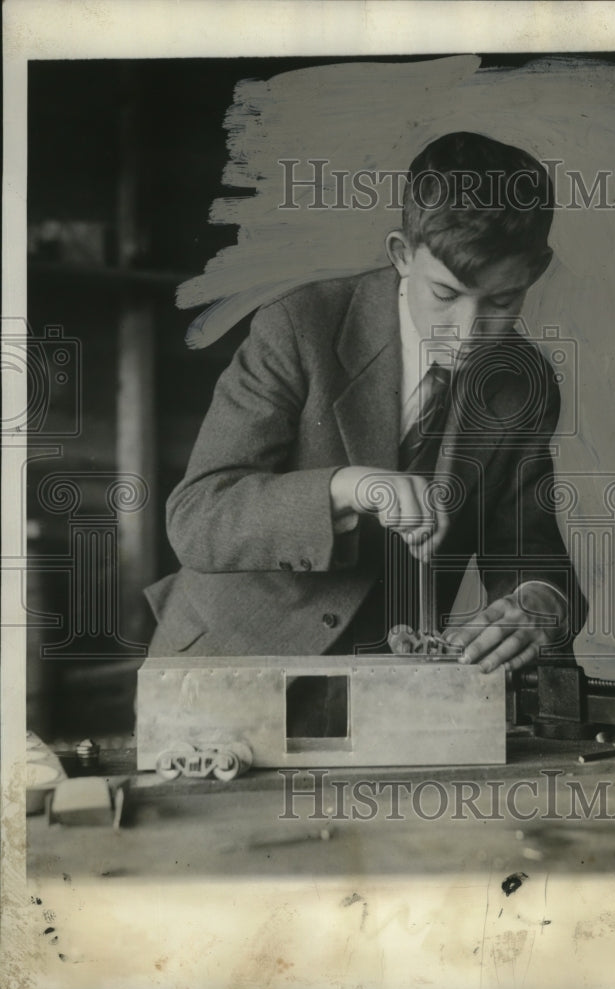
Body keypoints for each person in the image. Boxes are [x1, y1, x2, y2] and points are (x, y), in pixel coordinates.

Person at [145, 132, 587, 724]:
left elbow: (527, 545)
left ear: (538, 270)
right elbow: (196, 519)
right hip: (222, 673)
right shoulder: (300, 326)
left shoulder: (524, 382)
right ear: (403, 254)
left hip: (381, 699)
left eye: (503, 302)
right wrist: (345, 487)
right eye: (445, 295)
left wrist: (540, 601)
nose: (468, 333)